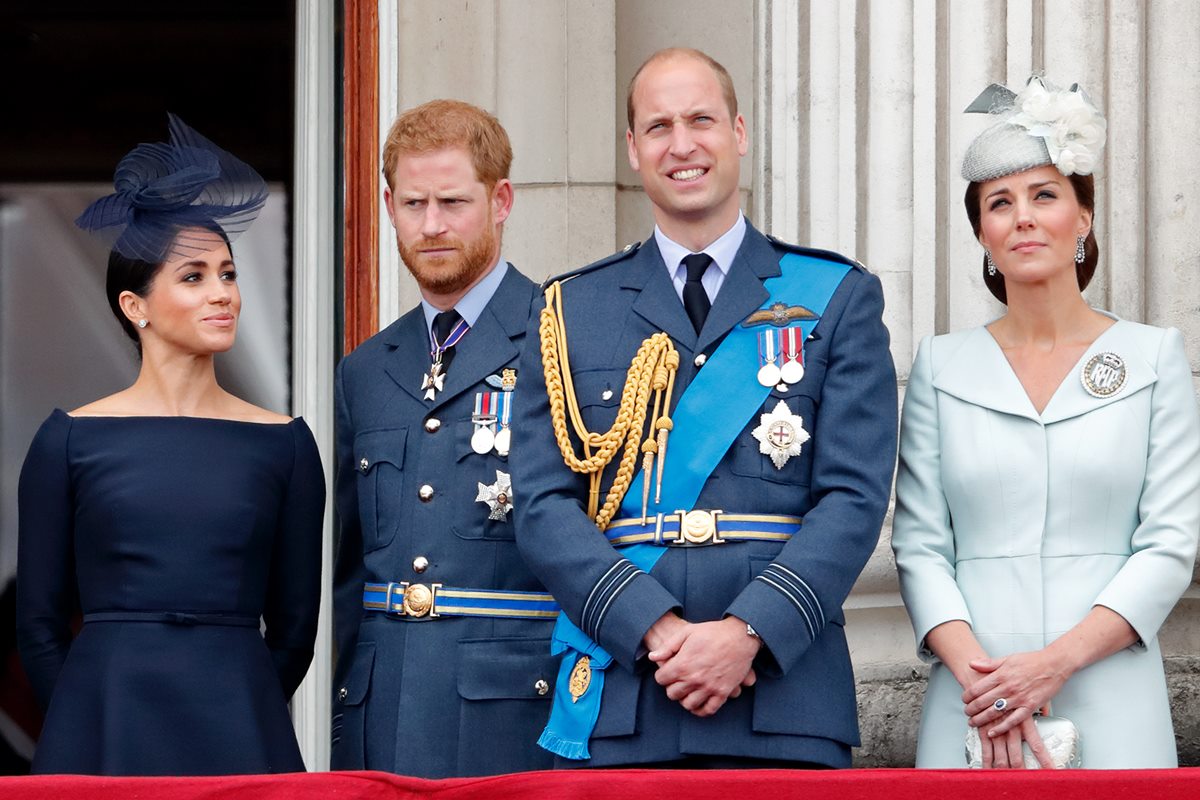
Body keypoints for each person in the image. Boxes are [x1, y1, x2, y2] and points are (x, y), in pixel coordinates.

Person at [512, 47, 897, 769]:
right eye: (658, 126)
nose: (681, 144)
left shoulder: (837, 296)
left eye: (701, 120)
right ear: (632, 149)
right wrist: (655, 630)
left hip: (782, 696)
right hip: (626, 692)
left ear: (740, 132)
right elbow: (541, 506)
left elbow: (853, 497)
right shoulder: (569, 309)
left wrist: (748, 632)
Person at [892, 77, 1200, 769]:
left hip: (1110, 691)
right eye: (1000, 203)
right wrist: (990, 683)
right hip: (973, 700)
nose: (1023, 217)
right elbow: (918, 546)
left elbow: (1170, 544)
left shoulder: (1152, 357)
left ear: (1083, 217)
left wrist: (1051, 666)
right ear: (982, 234)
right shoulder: (940, 367)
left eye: (1045, 195)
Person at [16, 115, 325, 775]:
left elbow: (296, 629)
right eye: (194, 277)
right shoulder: (67, 440)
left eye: (229, 274)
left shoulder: (287, 446)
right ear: (136, 306)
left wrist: (242, 703)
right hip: (101, 726)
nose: (224, 295)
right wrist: (81, 715)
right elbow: (37, 627)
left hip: (240, 726)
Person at [330, 99, 557, 778]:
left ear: (501, 200)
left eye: (453, 202)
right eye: (413, 203)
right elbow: (349, 578)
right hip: (382, 714)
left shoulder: (564, 339)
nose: (431, 226)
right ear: (389, 206)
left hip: (513, 716)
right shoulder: (365, 369)